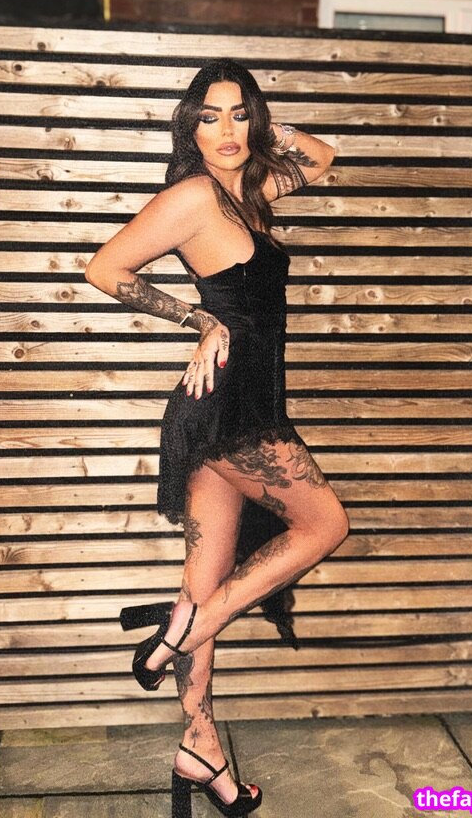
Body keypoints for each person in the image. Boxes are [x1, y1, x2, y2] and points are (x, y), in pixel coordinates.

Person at [85, 59, 349, 817]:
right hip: (231, 407)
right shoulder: (196, 196)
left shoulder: (246, 193)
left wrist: (264, 128)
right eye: (210, 116)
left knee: (202, 583)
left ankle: (199, 744)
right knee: (325, 525)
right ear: (189, 127)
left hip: (240, 403)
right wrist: (198, 319)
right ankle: (182, 632)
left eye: (239, 114)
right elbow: (104, 268)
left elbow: (323, 158)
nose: (226, 130)